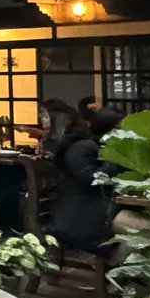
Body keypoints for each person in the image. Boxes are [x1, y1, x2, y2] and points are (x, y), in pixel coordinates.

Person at [48, 105, 116, 252]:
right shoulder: (82, 147)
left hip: (101, 213)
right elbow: (92, 181)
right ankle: (119, 271)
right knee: (143, 229)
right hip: (83, 221)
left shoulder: (100, 147)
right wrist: (118, 161)